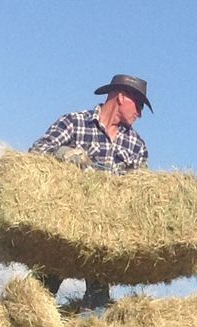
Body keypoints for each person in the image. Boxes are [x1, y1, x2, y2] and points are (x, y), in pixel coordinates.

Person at [28, 74, 152, 309]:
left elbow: (138, 192)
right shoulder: (75, 123)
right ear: (121, 97)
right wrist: (66, 155)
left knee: (98, 306)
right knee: (38, 295)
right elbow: (36, 153)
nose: (140, 113)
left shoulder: (136, 145)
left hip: (103, 235)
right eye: (138, 105)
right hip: (65, 225)